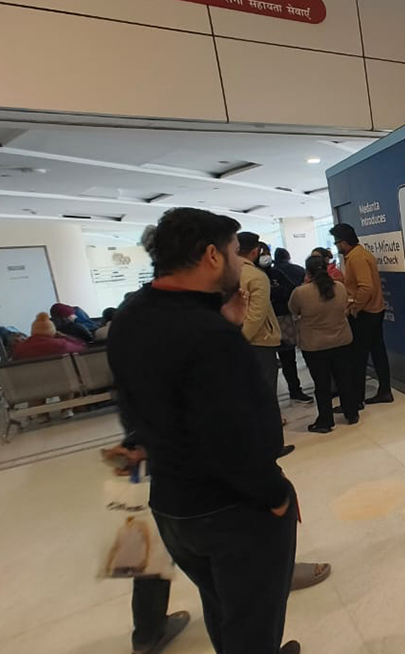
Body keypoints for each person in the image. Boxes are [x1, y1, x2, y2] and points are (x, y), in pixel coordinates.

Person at [107, 208, 300, 654]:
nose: (239, 263)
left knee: (222, 604)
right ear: (212, 255)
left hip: (172, 505)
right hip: (231, 511)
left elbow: (148, 398)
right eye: (234, 253)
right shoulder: (210, 337)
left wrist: (222, 320)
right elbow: (230, 439)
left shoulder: (132, 315)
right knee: (253, 619)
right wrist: (276, 495)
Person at [289, 255, 360, 432]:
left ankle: (325, 421)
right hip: (341, 340)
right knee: (344, 379)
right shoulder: (340, 287)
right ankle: (351, 413)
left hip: (314, 345)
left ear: (308, 272)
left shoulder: (301, 292)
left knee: (322, 385)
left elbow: (293, 310)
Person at [330, 223, 393, 406]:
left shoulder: (356, 258)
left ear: (344, 241)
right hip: (374, 310)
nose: (336, 246)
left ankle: (355, 401)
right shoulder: (358, 254)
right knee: (377, 352)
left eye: (336, 242)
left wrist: (355, 308)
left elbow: (366, 288)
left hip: (366, 313)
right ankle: (384, 391)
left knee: (357, 358)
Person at [259, 245, 313, 405]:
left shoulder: (276, 273)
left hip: (282, 319)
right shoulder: (252, 275)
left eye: (267, 253)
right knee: (266, 363)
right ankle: (268, 400)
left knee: (288, 358)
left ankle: (295, 390)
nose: (265, 257)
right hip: (262, 322)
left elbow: (289, 290)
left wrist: (272, 293)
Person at [237, 232, 283, 396]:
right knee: (266, 390)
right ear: (255, 251)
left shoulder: (225, 273)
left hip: (234, 338)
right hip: (260, 340)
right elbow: (257, 314)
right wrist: (242, 339)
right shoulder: (255, 276)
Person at [13, 312, 87, 359]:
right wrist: (63, 336)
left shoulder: (19, 350)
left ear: (32, 331)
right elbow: (83, 347)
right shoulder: (61, 345)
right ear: (53, 331)